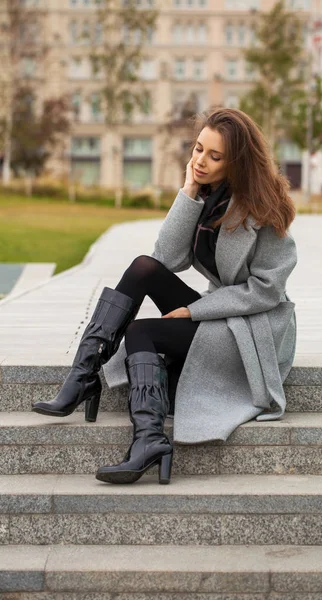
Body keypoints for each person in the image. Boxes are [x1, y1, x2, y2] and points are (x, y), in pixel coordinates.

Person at [32, 107, 297, 486]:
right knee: (144, 266)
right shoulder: (206, 196)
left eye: (214, 156)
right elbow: (167, 259)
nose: (200, 161)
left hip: (252, 329)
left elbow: (265, 291)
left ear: (237, 163)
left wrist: (193, 310)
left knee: (141, 332)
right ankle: (84, 373)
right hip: (223, 312)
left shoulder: (265, 210)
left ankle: (149, 440)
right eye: (198, 149)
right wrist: (188, 192)